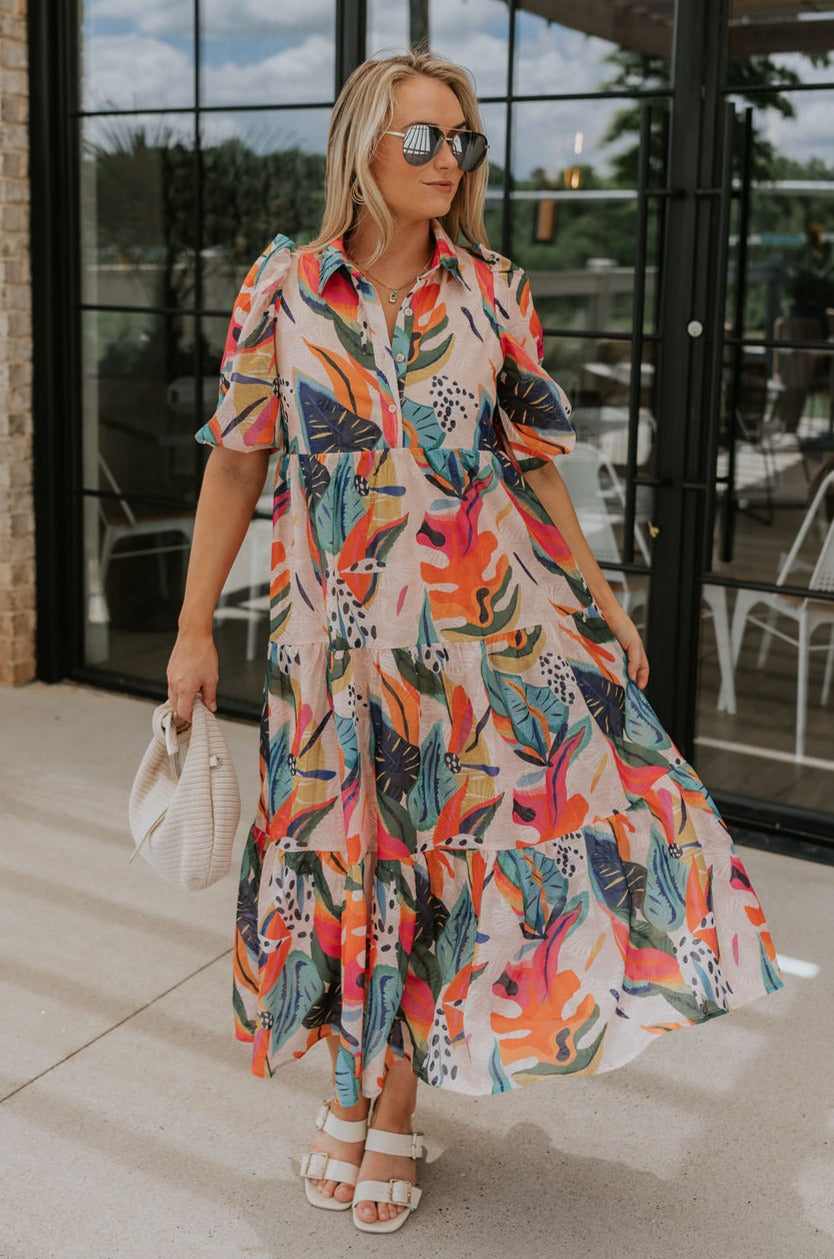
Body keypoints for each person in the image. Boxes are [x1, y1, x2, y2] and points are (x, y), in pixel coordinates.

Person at [166, 50, 785, 1235]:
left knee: (439, 869)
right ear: (363, 146)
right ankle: (348, 1093)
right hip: (333, 651)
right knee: (345, 867)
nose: (450, 161)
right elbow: (238, 458)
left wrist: (601, 600)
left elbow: (533, 465)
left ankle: (389, 1107)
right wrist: (193, 628)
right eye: (424, 140)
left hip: (478, 646)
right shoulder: (284, 287)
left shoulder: (493, 288)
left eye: (464, 141)